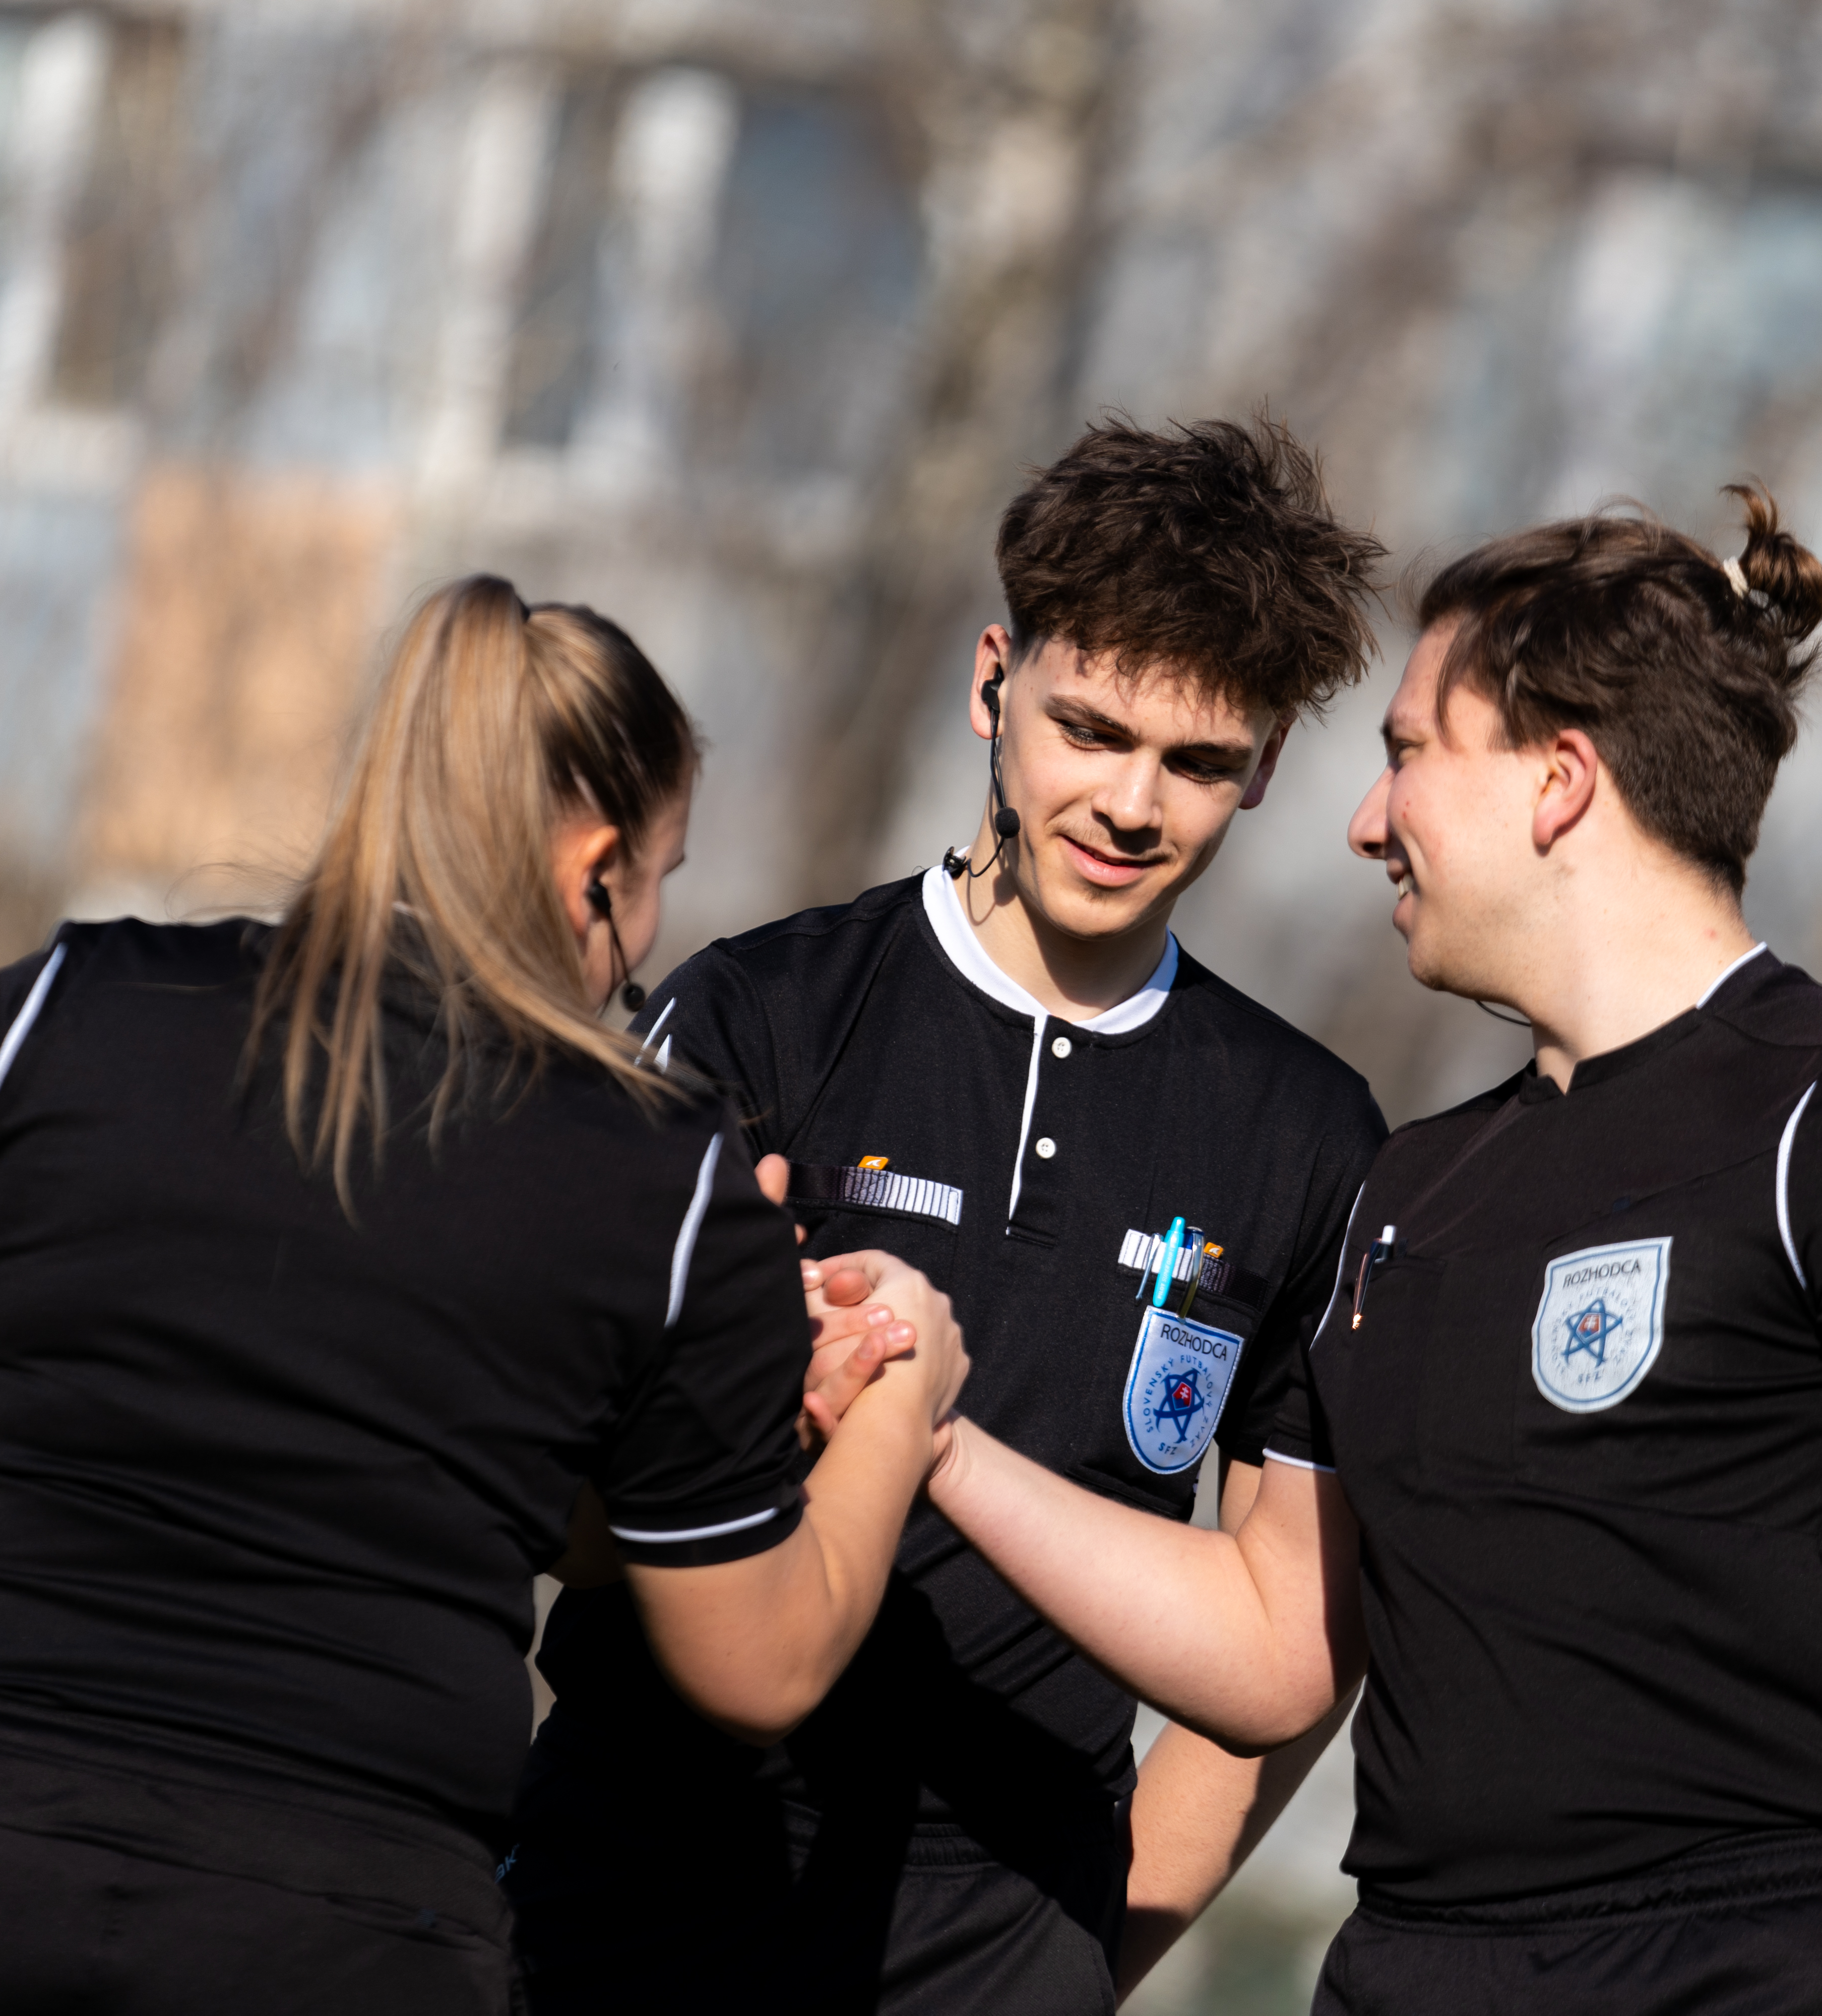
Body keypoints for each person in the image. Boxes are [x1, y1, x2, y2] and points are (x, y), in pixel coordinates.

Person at [0, 577, 964, 2013]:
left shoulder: (71, 1010)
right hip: (326, 1939)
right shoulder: (661, 1178)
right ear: (597, 868)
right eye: (663, 882)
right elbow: (765, 1663)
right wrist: (900, 1391)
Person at [925, 490, 1822, 2015]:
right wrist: (932, 1437)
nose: (1362, 818)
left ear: (1559, 782)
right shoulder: (1408, 1191)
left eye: (1407, 755)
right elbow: (1279, 1645)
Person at [505, 417, 1392, 2012]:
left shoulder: (1311, 1134)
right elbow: (549, 1502)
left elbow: (1288, 1648)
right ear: (996, 684)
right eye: (1088, 729)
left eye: (1194, 763)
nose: (1130, 802)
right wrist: (739, 1398)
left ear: (1261, 769)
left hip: (1008, 1935)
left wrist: (1093, 1945)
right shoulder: (757, 1016)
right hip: (645, 1881)